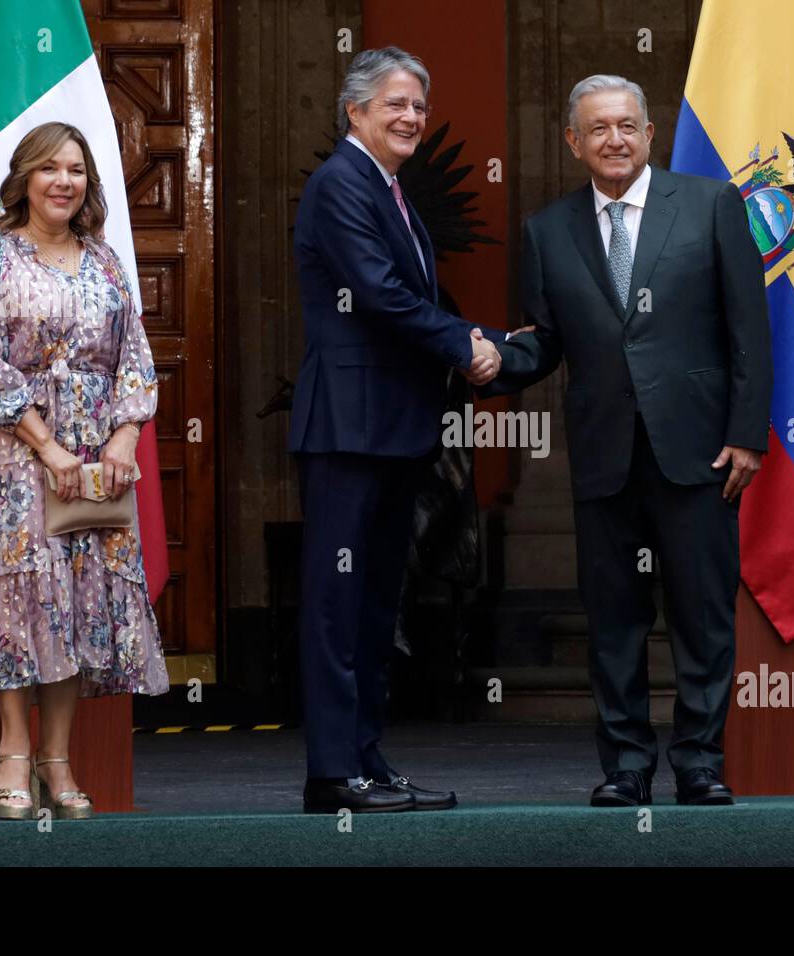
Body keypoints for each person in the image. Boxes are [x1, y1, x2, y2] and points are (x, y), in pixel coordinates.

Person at [481, 75, 772, 806]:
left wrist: (746, 435)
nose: (614, 139)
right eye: (597, 128)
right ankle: (626, 767)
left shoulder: (711, 206)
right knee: (613, 622)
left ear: (649, 135)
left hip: (699, 451)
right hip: (605, 455)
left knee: (702, 616)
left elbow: (750, 333)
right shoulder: (548, 232)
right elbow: (543, 342)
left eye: (627, 126)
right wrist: (480, 358)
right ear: (574, 143)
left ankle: (700, 762)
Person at [289, 46, 503, 813]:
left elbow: (407, 297)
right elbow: (378, 295)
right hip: (348, 431)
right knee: (337, 605)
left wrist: (486, 346)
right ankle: (331, 775)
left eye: (419, 105)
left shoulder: (391, 189)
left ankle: (368, 762)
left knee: (379, 607)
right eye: (395, 105)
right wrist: (467, 344)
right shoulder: (339, 184)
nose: (412, 116)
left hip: (395, 428)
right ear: (355, 112)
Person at [0, 121, 168, 820]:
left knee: (77, 606)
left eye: (76, 169)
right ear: (24, 179)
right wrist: (49, 449)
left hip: (97, 465)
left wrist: (125, 438)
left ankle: (57, 757)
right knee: (17, 606)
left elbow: (134, 356)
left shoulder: (105, 261)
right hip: (19, 459)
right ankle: (12, 753)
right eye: (50, 168)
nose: (64, 181)